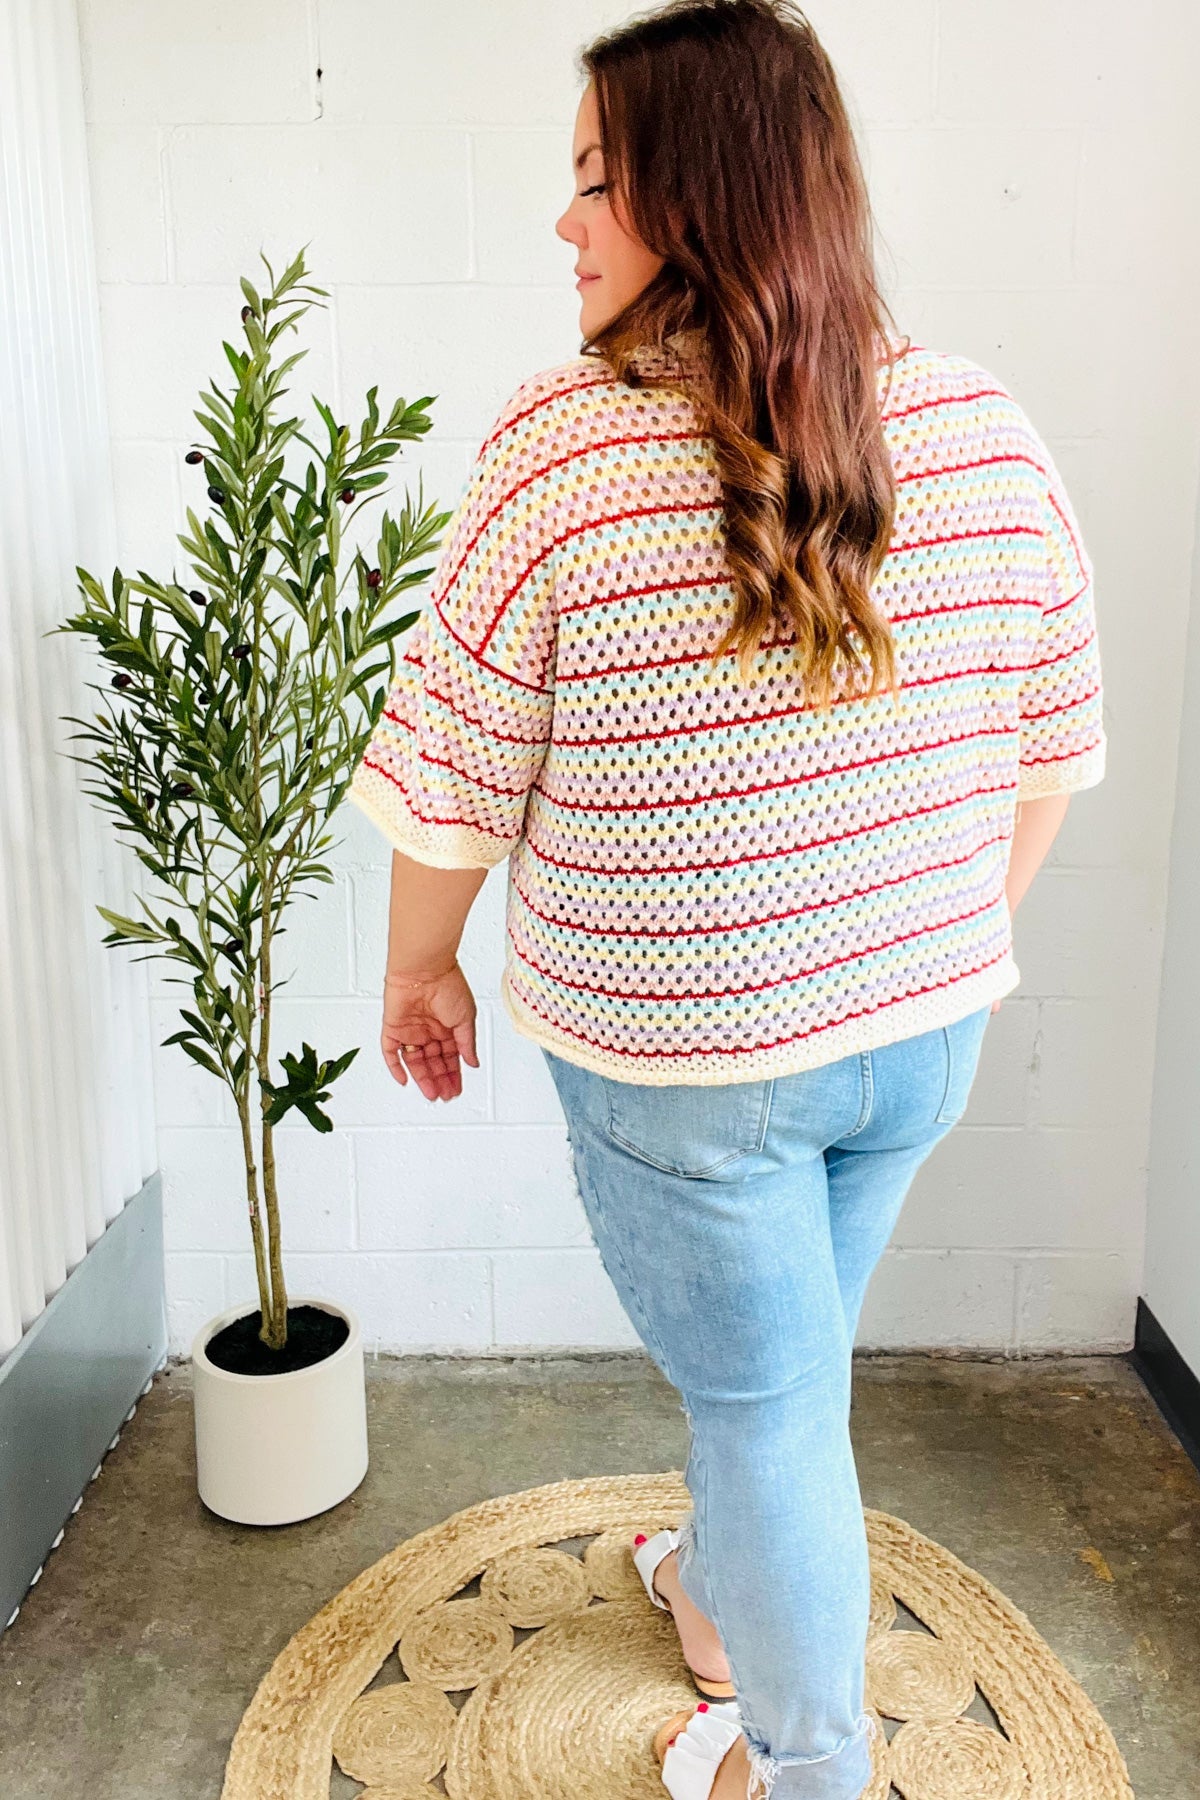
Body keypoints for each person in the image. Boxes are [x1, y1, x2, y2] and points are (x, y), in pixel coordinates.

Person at [346, 3, 1107, 1795]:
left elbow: (455, 768)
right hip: (922, 1042)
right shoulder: (986, 430)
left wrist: (419, 969)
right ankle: (715, 1595)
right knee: (783, 1370)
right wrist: (935, 943)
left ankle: (809, 1769)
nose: (564, 223)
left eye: (595, 180)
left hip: (692, 1069)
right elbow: (1051, 751)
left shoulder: (562, 449)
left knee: (771, 1410)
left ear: (703, 198)